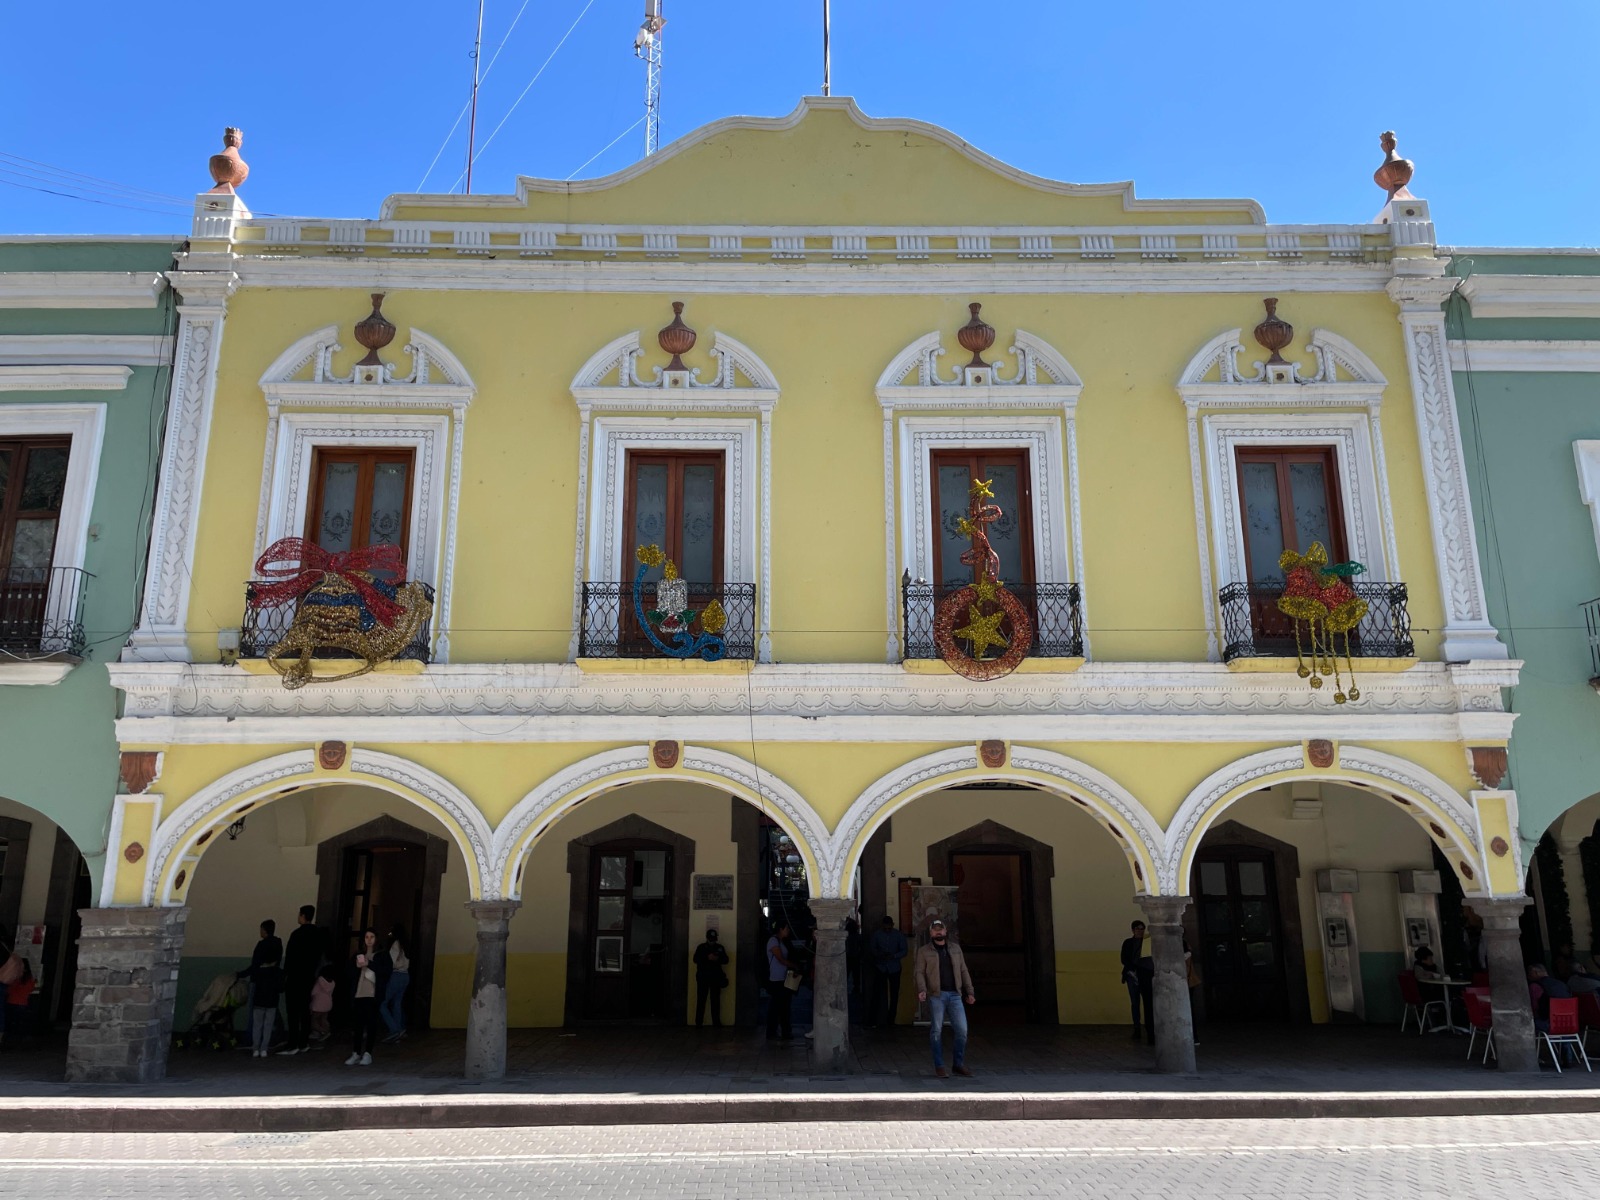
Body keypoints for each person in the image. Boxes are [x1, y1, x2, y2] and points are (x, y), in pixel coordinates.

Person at [915, 919, 975, 1078]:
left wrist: (970, 991)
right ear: (931, 933)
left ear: (945, 931)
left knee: (962, 1030)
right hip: (937, 995)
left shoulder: (955, 949)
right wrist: (922, 989)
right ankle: (939, 1065)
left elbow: (963, 970)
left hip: (955, 994)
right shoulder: (924, 951)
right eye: (935, 930)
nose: (938, 932)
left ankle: (958, 1064)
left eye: (940, 929)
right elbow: (919, 972)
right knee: (936, 1031)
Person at [278, 905, 322, 1056]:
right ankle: (304, 1042)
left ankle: (293, 1043)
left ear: (303, 916)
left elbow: (290, 958)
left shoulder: (296, 934)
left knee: (293, 1012)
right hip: (308, 977)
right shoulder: (317, 934)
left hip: (295, 977)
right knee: (305, 1010)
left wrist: (285, 975)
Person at [347, 929, 391, 1066]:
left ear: (376, 938)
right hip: (359, 993)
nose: (369, 940)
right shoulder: (358, 954)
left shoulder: (382, 955)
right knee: (358, 1025)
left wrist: (369, 964)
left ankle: (368, 1053)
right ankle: (356, 1052)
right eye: (367, 937)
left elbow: (386, 972)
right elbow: (349, 973)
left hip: (373, 994)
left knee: (371, 1023)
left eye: (372, 937)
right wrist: (356, 966)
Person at [247, 920, 283, 1059]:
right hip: (272, 996)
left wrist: (241, 974)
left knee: (257, 1023)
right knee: (268, 1024)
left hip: (260, 994)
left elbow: (253, 966)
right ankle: (264, 1049)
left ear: (264, 930)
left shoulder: (261, 948)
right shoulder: (278, 946)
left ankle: (255, 1048)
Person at [868, 916, 909, 1027]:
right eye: (885, 928)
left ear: (892, 925)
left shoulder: (898, 935)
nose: (887, 930)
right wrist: (880, 955)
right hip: (881, 966)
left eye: (889, 928)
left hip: (894, 967)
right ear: (882, 926)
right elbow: (872, 949)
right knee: (877, 993)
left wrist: (894, 956)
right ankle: (873, 1020)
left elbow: (904, 950)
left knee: (894, 994)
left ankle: (891, 1020)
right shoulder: (877, 935)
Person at [1120, 920, 1154, 1045]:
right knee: (1135, 1003)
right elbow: (1124, 959)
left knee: (1148, 1002)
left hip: (1145, 975)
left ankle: (1149, 1030)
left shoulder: (1147, 942)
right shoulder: (1128, 943)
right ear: (1133, 930)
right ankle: (1137, 1028)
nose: (1140, 931)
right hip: (1132, 975)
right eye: (1137, 929)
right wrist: (1132, 970)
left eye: (1142, 928)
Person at [765, 917, 796, 1041]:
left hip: (784, 978)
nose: (788, 930)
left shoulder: (783, 941)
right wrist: (793, 965)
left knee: (785, 1006)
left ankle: (785, 1031)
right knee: (776, 1006)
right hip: (776, 979)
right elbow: (780, 959)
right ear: (780, 929)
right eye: (786, 928)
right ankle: (772, 1031)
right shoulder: (773, 941)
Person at [692, 927, 730, 1027]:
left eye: (714, 939)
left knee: (715, 1001)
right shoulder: (701, 947)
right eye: (711, 939)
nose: (712, 941)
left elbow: (726, 960)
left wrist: (717, 959)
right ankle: (698, 1022)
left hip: (715, 978)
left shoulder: (720, 948)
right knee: (701, 1000)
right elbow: (695, 959)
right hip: (703, 978)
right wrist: (707, 958)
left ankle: (716, 1022)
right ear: (707, 938)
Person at [380, 924, 411, 1044]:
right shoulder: (406, 944)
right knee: (397, 1003)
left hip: (396, 975)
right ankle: (400, 1029)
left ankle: (394, 1030)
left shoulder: (396, 944)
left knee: (382, 1003)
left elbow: (391, 962)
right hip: (405, 975)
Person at [3, 960, 36, 1045]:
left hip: (11, 1001)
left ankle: (8, 1040)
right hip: (22, 1002)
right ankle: (17, 1041)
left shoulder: (15, 978)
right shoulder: (30, 979)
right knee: (19, 1023)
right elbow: (31, 989)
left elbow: (9, 990)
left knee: (9, 1023)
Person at [309, 964, 336, 1046]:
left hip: (318, 1003)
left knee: (313, 1021)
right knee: (324, 1019)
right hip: (328, 1004)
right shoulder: (333, 982)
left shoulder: (320, 979)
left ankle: (324, 1032)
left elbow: (314, 992)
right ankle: (325, 1031)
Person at [844, 918, 862, 999]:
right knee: (856, 975)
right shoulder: (858, 937)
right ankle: (856, 989)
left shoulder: (847, 937)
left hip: (848, 957)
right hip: (855, 957)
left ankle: (846, 988)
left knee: (846, 974)